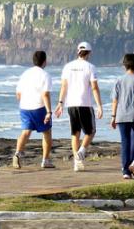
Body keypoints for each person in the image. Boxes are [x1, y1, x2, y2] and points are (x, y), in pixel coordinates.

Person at [55, 41, 103, 172]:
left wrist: (60, 103)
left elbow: (64, 86)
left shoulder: (67, 66)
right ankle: (81, 152)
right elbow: (94, 87)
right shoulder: (90, 67)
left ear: (78, 52)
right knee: (91, 131)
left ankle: (77, 163)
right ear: (89, 53)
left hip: (71, 104)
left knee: (75, 133)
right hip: (85, 104)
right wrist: (99, 105)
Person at [13, 51, 54, 169]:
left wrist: (23, 103)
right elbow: (45, 94)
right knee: (46, 133)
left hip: (24, 107)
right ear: (45, 61)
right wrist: (49, 112)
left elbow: (18, 94)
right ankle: (45, 160)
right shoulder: (45, 75)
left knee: (25, 132)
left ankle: (17, 154)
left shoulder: (25, 74)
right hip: (39, 107)